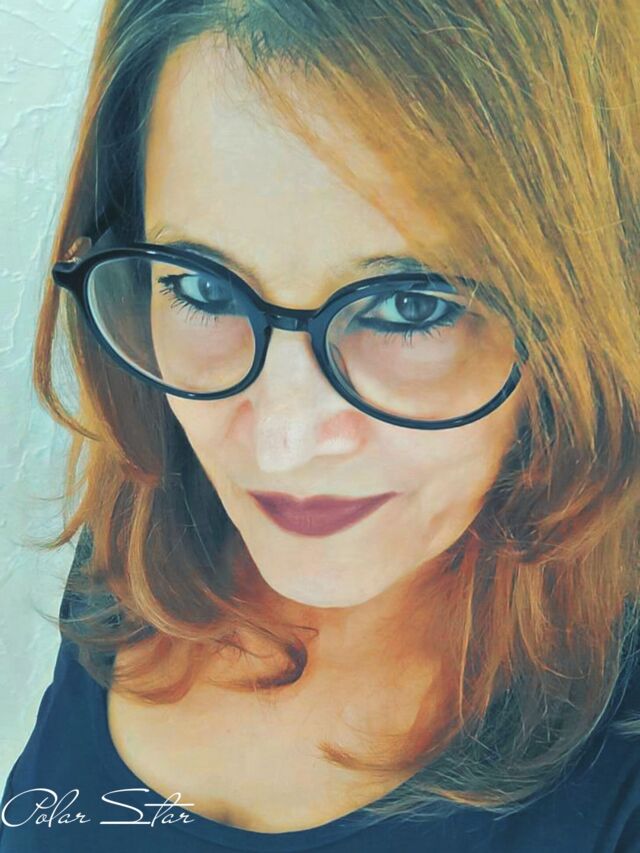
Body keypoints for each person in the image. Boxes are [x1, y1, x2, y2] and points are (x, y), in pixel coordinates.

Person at [1, 1, 639, 850]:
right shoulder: (146, 524)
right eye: (202, 288)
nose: (281, 446)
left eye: (411, 305)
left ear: (587, 304)